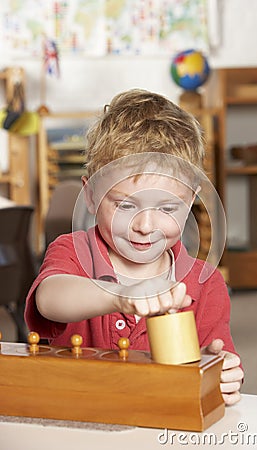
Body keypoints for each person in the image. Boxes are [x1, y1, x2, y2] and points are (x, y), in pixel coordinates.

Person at [25, 89, 244, 405]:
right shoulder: (73, 250)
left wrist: (224, 376)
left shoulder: (206, 283)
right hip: (77, 412)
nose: (144, 226)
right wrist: (122, 296)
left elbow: (217, 359)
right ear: (90, 195)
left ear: (192, 199)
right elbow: (49, 298)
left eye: (168, 209)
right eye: (125, 206)